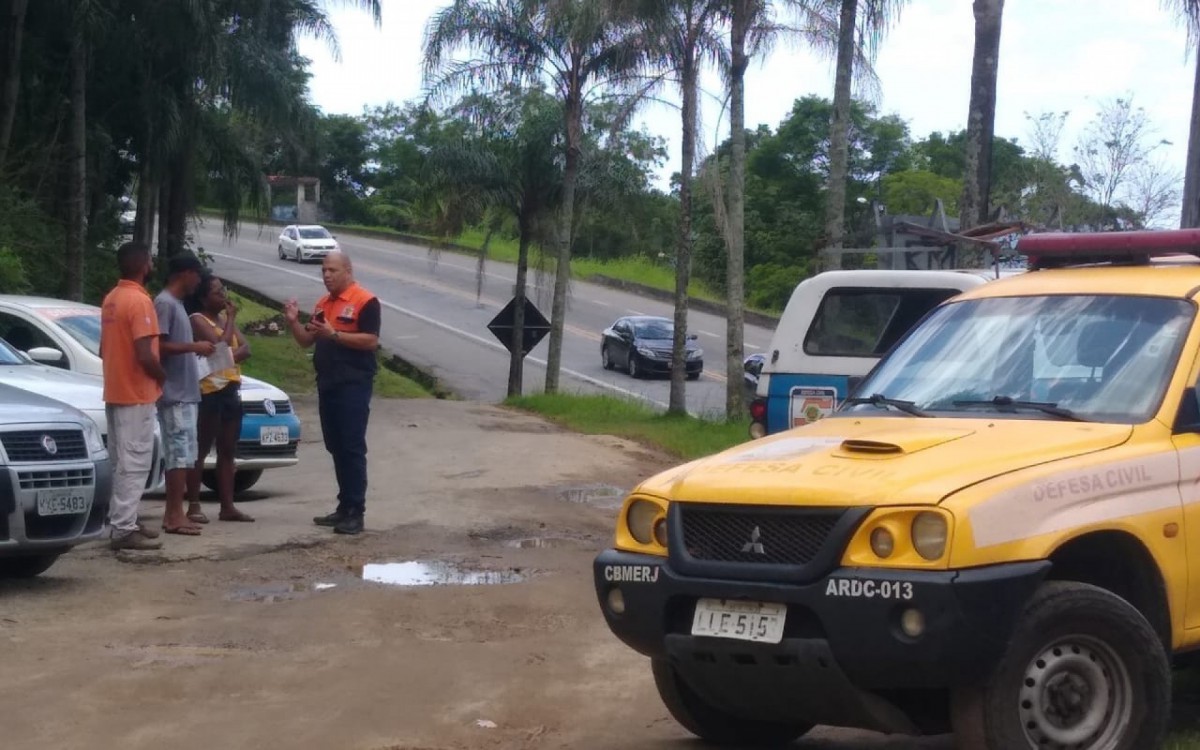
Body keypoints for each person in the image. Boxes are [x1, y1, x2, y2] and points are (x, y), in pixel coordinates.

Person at [283, 251, 380, 535]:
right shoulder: (323, 304)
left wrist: (335, 335)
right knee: (335, 446)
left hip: (353, 384)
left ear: (348, 271)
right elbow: (306, 341)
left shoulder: (365, 301)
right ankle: (343, 506)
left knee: (351, 447)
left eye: (332, 270)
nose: (326, 275)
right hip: (328, 383)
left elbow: (371, 340)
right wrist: (292, 322)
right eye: (324, 270)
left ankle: (355, 512)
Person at [100, 242, 167, 551]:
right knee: (136, 461)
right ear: (143, 265)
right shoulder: (139, 302)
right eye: (150, 260)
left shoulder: (112, 299)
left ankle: (121, 519)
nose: (152, 264)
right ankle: (124, 528)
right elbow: (144, 353)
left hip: (115, 389)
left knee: (121, 461)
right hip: (136, 392)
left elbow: (103, 350)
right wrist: (162, 375)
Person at [185, 273, 255, 524]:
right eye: (216, 292)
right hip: (209, 390)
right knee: (201, 449)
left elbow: (246, 348)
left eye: (223, 290)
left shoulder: (223, 320)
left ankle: (228, 505)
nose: (223, 295)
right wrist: (232, 324)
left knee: (228, 449)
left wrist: (226, 353)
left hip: (230, 387)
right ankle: (193, 505)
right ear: (203, 298)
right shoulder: (198, 319)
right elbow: (220, 347)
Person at [155, 253, 215, 535]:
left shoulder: (177, 305)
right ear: (185, 274)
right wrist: (194, 347)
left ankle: (176, 513)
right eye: (197, 275)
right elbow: (160, 346)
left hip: (187, 392)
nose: (199, 281)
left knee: (185, 454)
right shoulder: (164, 304)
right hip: (175, 393)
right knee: (178, 455)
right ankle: (173, 514)